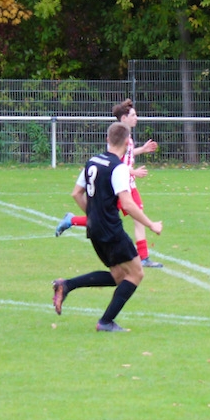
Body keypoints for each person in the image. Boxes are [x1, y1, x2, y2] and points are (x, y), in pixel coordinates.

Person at [52, 122, 163, 332]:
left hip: (94, 229)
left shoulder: (92, 161)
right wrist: (151, 224)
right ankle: (105, 322)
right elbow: (127, 204)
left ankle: (66, 285)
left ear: (107, 139)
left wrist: (93, 215)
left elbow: (76, 193)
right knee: (136, 274)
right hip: (111, 230)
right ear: (127, 143)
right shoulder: (118, 168)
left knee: (119, 276)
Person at [55, 99, 163, 268]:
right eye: (133, 115)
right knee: (111, 218)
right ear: (124, 118)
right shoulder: (119, 138)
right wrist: (133, 172)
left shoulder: (126, 138)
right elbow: (115, 165)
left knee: (134, 217)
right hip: (120, 185)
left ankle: (143, 257)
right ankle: (72, 220)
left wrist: (141, 150)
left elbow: (126, 156)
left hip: (129, 184)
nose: (136, 118)